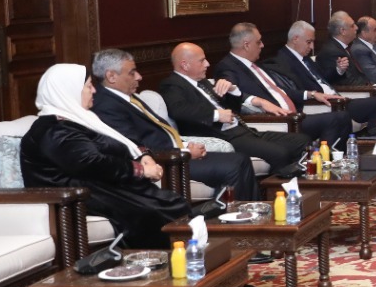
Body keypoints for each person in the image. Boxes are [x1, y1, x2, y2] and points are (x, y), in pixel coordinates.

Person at [20, 64, 190, 249]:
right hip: (74, 196)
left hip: (100, 185)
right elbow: (91, 163)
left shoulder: (80, 119)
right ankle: (163, 261)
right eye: (88, 86)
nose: (94, 90)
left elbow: (119, 141)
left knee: (172, 203)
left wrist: (143, 155)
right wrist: (141, 170)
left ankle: (188, 254)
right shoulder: (53, 129)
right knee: (155, 212)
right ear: (68, 91)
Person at [89, 48, 257, 204]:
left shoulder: (127, 98)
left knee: (240, 159)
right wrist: (184, 152)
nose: (139, 77)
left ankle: (247, 214)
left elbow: (158, 133)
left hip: (175, 152)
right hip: (166, 161)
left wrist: (185, 145)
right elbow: (133, 146)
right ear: (111, 76)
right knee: (234, 165)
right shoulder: (106, 106)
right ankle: (231, 218)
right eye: (132, 72)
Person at [158, 42, 311, 176]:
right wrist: (216, 115)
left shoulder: (203, 82)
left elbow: (233, 109)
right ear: (185, 65)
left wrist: (233, 90)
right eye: (202, 60)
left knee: (301, 140)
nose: (207, 64)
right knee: (280, 153)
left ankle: (305, 184)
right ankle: (280, 190)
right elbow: (179, 110)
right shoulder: (172, 84)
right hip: (224, 137)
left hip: (244, 130)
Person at [216, 22, 350, 147]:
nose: (262, 45)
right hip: (279, 121)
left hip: (293, 115)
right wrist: (259, 101)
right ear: (246, 45)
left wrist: (311, 94)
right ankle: (324, 160)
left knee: (342, 117)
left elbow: (280, 90)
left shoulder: (255, 65)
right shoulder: (228, 66)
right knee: (338, 119)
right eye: (258, 42)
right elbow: (231, 90)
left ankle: (326, 159)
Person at [262, 21, 376, 134]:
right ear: (295, 39)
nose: (312, 46)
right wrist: (312, 94)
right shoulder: (281, 62)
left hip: (337, 98)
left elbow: (323, 78)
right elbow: (287, 90)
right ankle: (373, 138)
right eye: (309, 42)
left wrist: (338, 70)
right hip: (323, 104)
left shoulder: (305, 58)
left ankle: (375, 136)